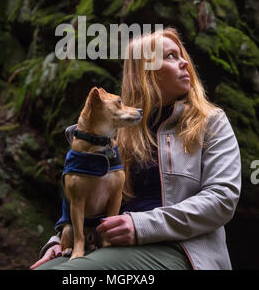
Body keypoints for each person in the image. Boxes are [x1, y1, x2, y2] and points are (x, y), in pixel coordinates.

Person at [30, 27, 241, 270]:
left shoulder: (211, 121)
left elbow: (222, 199)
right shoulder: (117, 134)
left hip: (182, 250)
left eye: (183, 56)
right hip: (111, 247)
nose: (185, 63)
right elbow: (87, 197)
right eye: (171, 56)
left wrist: (141, 226)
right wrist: (60, 239)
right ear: (145, 72)